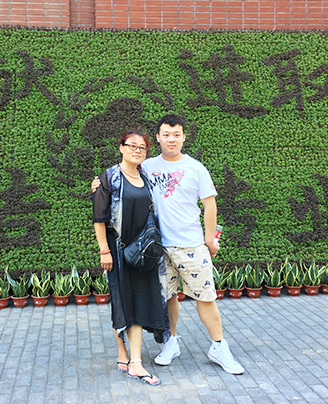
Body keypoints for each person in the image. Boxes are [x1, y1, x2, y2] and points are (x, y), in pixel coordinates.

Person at [93, 114, 244, 375]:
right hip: (157, 248)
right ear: (159, 137)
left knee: (205, 297)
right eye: (166, 134)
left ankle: (219, 346)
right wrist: (99, 184)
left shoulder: (196, 168)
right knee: (168, 297)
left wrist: (210, 239)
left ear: (184, 137)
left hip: (190, 245)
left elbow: (210, 205)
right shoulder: (147, 165)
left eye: (176, 135)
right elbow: (122, 176)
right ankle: (171, 342)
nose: (171, 139)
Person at [92, 129, 170, 386]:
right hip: (118, 251)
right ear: (121, 147)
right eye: (132, 145)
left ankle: (134, 361)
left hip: (143, 253)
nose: (137, 150)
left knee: (138, 303)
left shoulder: (146, 177)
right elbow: (99, 218)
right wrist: (104, 250)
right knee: (121, 301)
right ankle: (123, 352)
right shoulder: (109, 178)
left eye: (142, 147)